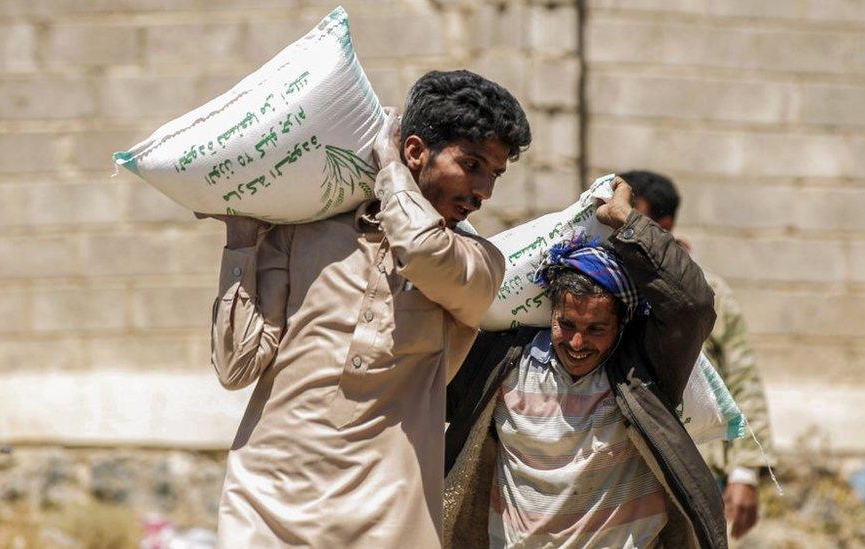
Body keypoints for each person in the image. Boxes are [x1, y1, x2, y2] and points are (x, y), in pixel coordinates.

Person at [204, 70, 531, 548]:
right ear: (418, 151)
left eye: (494, 173)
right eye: (472, 164)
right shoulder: (304, 235)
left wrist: (391, 171)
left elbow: (422, 250)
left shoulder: (477, 264)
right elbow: (236, 366)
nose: (485, 190)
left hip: (387, 517)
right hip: (264, 503)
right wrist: (239, 243)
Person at [443, 177, 728, 548]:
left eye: (596, 329)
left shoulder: (641, 371)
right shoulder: (503, 362)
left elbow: (692, 305)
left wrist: (626, 221)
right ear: (551, 315)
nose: (577, 343)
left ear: (622, 324)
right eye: (567, 324)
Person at [621, 169, 775, 540]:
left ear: (664, 223)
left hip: (697, 468)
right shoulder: (604, 286)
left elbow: (742, 380)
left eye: (629, 211)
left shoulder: (708, 292)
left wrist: (745, 473)